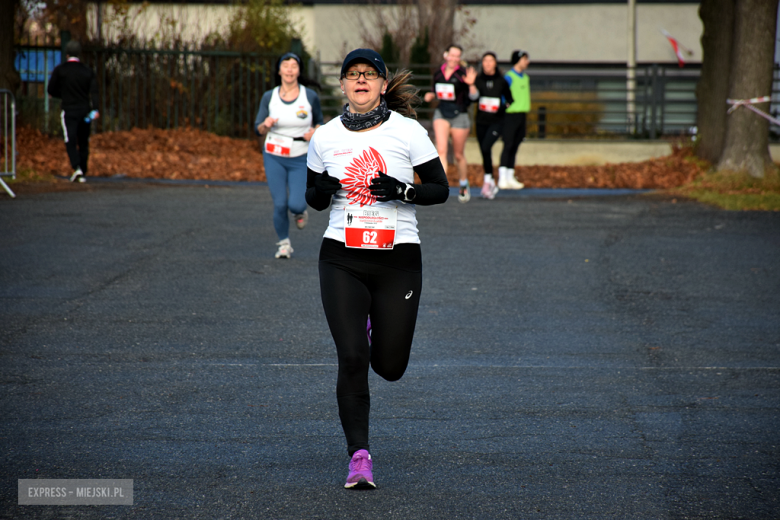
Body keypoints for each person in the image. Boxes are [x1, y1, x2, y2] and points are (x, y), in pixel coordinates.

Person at [306, 49, 449, 489]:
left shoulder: (407, 131)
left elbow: (440, 189)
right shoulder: (325, 136)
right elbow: (312, 197)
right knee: (352, 358)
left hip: (397, 260)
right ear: (344, 85)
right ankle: (359, 457)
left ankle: (375, 327)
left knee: (389, 367)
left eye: (369, 74)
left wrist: (404, 191)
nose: (361, 79)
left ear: (383, 84)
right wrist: (323, 190)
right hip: (341, 256)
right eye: (352, 74)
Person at [254, 52, 323, 259]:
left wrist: (315, 131)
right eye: (286, 65)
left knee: (296, 204)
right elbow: (257, 128)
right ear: (279, 70)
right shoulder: (270, 96)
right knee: (280, 203)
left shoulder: (309, 96)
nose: (290, 69)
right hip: (274, 154)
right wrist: (265, 125)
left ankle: (300, 212)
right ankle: (284, 243)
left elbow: (320, 121)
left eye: (294, 65)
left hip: (301, 156)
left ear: (299, 71)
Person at [423, 44, 478, 203]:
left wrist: (471, 84)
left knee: (459, 154)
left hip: (459, 115)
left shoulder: (464, 74)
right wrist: (430, 95)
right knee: (441, 150)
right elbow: (436, 91)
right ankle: (441, 185)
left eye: (457, 56)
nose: (454, 58)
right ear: (446, 55)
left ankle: (463, 183)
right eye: (452, 55)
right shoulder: (438, 73)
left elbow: (474, 97)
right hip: (442, 113)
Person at [47, 40, 99, 183]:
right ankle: (83, 168)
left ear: (67, 54)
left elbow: (51, 89)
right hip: (85, 111)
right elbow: (94, 92)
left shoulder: (61, 70)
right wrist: (95, 109)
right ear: (79, 54)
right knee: (83, 140)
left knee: (70, 139)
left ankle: (77, 168)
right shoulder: (87, 71)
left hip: (69, 111)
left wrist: (62, 95)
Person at [473, 51, 512, 199]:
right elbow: (473, 98)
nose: (488, 64)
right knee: (484, 151)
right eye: (485, 61)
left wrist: (501, 107)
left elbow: (510, 99)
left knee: (486, 146)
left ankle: (488, 180)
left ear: (495, 63)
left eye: (491, 61)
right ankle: (489, 181)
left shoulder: (501, 81)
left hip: (497, 121)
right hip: (481, 120)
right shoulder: (478, 79)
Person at [498, 50, 531, 190]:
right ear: (518, 60)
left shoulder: (525, 77)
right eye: (525, 59)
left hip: (522, 115)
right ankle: (502, 177)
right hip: (510, 115)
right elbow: (502, 95)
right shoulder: (509, 77)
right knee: (508, 145)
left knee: (516, 145)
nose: (527, 62)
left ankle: (510, 176)